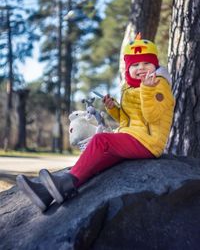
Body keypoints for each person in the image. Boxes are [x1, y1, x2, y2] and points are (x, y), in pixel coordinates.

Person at [16, 33, 175, 212]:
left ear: (155, 64)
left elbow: (152, 117)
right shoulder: (130, 87)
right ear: (128, 68)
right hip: (131, 136)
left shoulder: (158, 85)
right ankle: (47, 193)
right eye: (136, 64)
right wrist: (113, 108)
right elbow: (127, 119)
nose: (142, 68)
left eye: (147, 63)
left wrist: (147, 89)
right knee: (95, 161)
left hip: (148, 142)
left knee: (101, 141)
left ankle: (64, 184)